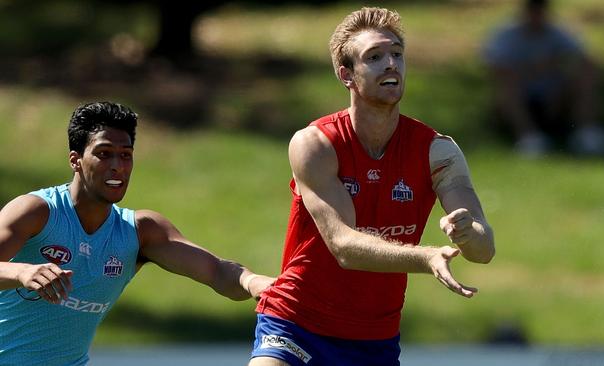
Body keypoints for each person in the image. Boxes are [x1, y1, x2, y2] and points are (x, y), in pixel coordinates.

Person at [248, 7, 495, 366]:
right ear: (346, 74)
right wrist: (426, 257)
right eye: (375, 57)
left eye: (397, 54)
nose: (391, 64)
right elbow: (345, 246)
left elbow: (484, 249)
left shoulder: (437, 150)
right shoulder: (316, 144)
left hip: (374, 339)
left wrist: (468, 233)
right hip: (296, 323)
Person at [0, 101, 275, 365]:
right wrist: (22, 273)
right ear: (76, 160)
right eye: (104, 153)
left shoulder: (140, 232)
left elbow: (216, 271)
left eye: (126, 155)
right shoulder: (37, 211)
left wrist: (253, 282)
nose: (118, 166)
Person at [483, 0, 604, 157]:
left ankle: (586, 131)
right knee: (508, 84)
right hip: (521, 96)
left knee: (586, 72)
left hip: (554, 95)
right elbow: (498, 70)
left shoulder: (558, 32)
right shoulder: (506, 35)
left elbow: (583, 58)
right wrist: (534, 68)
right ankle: (529, 137)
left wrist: (555, 74)